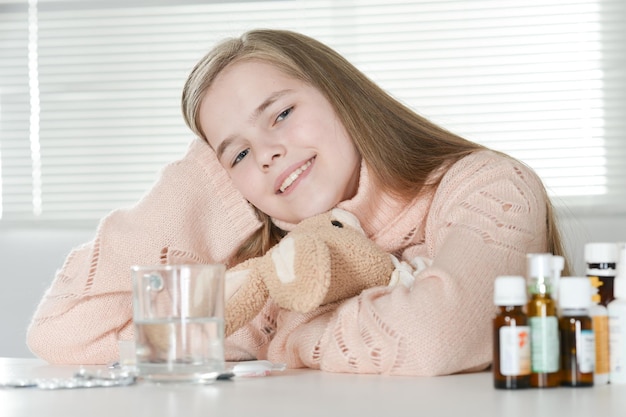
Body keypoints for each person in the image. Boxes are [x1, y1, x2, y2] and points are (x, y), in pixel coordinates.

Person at [27, 29, 570, 376]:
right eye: (236, 154)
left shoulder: (488, 187)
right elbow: (66, 333)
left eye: (281, 114)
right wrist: (203, 186)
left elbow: (436, 337)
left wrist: (287, 339)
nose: (267, 153)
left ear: (343, 98)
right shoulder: (270, 274)